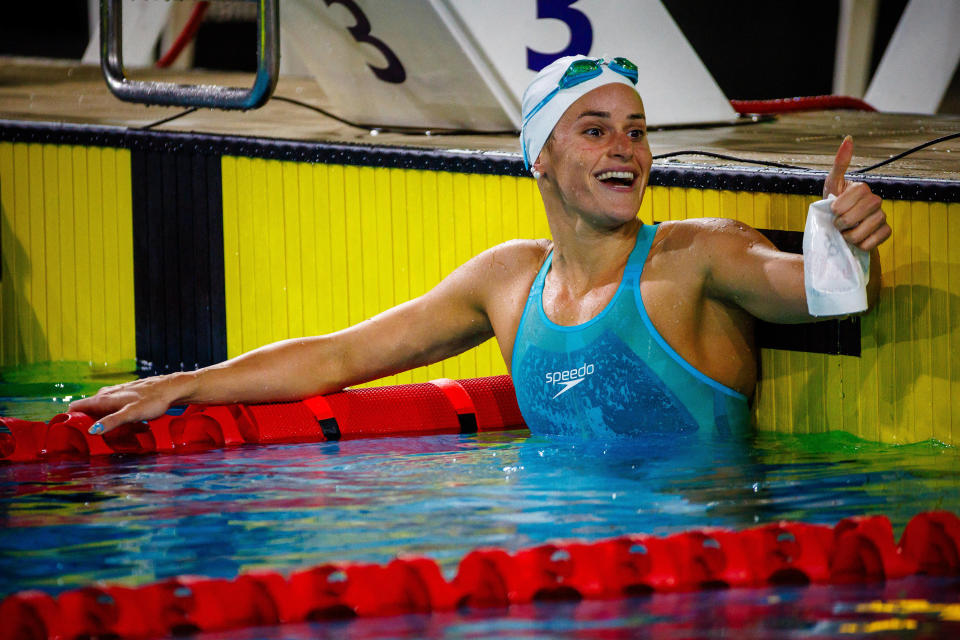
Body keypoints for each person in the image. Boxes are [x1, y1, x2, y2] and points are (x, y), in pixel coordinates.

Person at [72, 55, 891, 438]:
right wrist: (186, 386)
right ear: (540, 156)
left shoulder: (695, 257)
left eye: (636, 132)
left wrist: (845, 238)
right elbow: (340, 355)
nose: (625, 150)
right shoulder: (507, 281)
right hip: (551, 562)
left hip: (692, 578)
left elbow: (829, 291)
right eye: (595, 130)